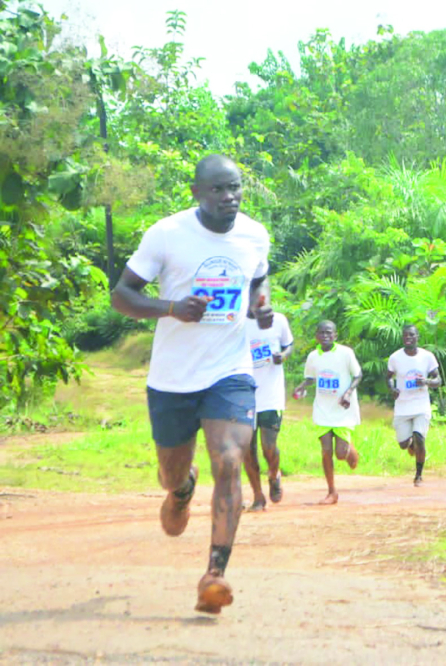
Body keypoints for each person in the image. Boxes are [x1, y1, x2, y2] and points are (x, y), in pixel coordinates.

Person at [111, 154, 271, 614]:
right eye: (218, 190)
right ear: (197, 193)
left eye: (236, 188)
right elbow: (122, 296)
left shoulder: (254, 234)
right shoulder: (166, 234)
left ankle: (214, 574)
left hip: (230, 369)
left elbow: (258, 284)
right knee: (171, 473)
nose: (230, 198)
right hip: (173, 378)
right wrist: (170, 308)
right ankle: (182, 489)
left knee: (230, 460)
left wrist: (259, 308)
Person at [292, 321, 362, 505]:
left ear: (335, 335)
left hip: (342, 408)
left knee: (340, 453)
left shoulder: (346, 353)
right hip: (322, 409)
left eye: (329, 333)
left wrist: (348, 393)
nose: (325, 336)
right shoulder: (313, 356)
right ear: (316, 336)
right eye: (321, 333)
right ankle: (332, 492)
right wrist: (301, 387)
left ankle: (349, 448)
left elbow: (358, 375)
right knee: (326, 450)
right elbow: (310, 378)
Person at [244, 307, 294, 512]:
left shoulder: (278, 320)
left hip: (271, 396)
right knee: (247, 449)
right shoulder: (236, 323)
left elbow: (288, 345)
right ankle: (257, 496)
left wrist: (283, 356)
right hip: (244, 396)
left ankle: (274, 474)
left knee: (268, 446)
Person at [386, 325, 441, 487]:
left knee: (420, 438)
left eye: (411, 335)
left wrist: (427, 382)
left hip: (421, 405)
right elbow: (388, 376)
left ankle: (418, 475)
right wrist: (392, 389)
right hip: (402, 406)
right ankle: (410, 445)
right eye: (405, 336)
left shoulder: (427, 357)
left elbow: (438, 380)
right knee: (403, 445)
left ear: (418, 337)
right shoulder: (395, 357)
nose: (408, 338)